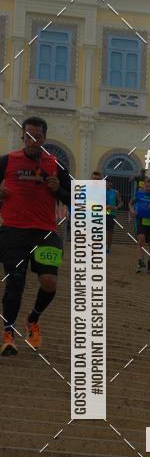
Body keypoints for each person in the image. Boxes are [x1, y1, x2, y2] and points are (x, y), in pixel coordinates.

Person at [0, 116, 70, 356]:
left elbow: (77, 199)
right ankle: (8, 335)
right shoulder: (7, 161)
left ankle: (33, 319)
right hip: (13, 232)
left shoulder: (56, 165)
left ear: (44, 138)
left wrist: (57, 190)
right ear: (23, 136)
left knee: (49, 283)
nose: (32, 141)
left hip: (44, 232)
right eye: (28, 136)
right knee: (15, 284)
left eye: (37, 137)